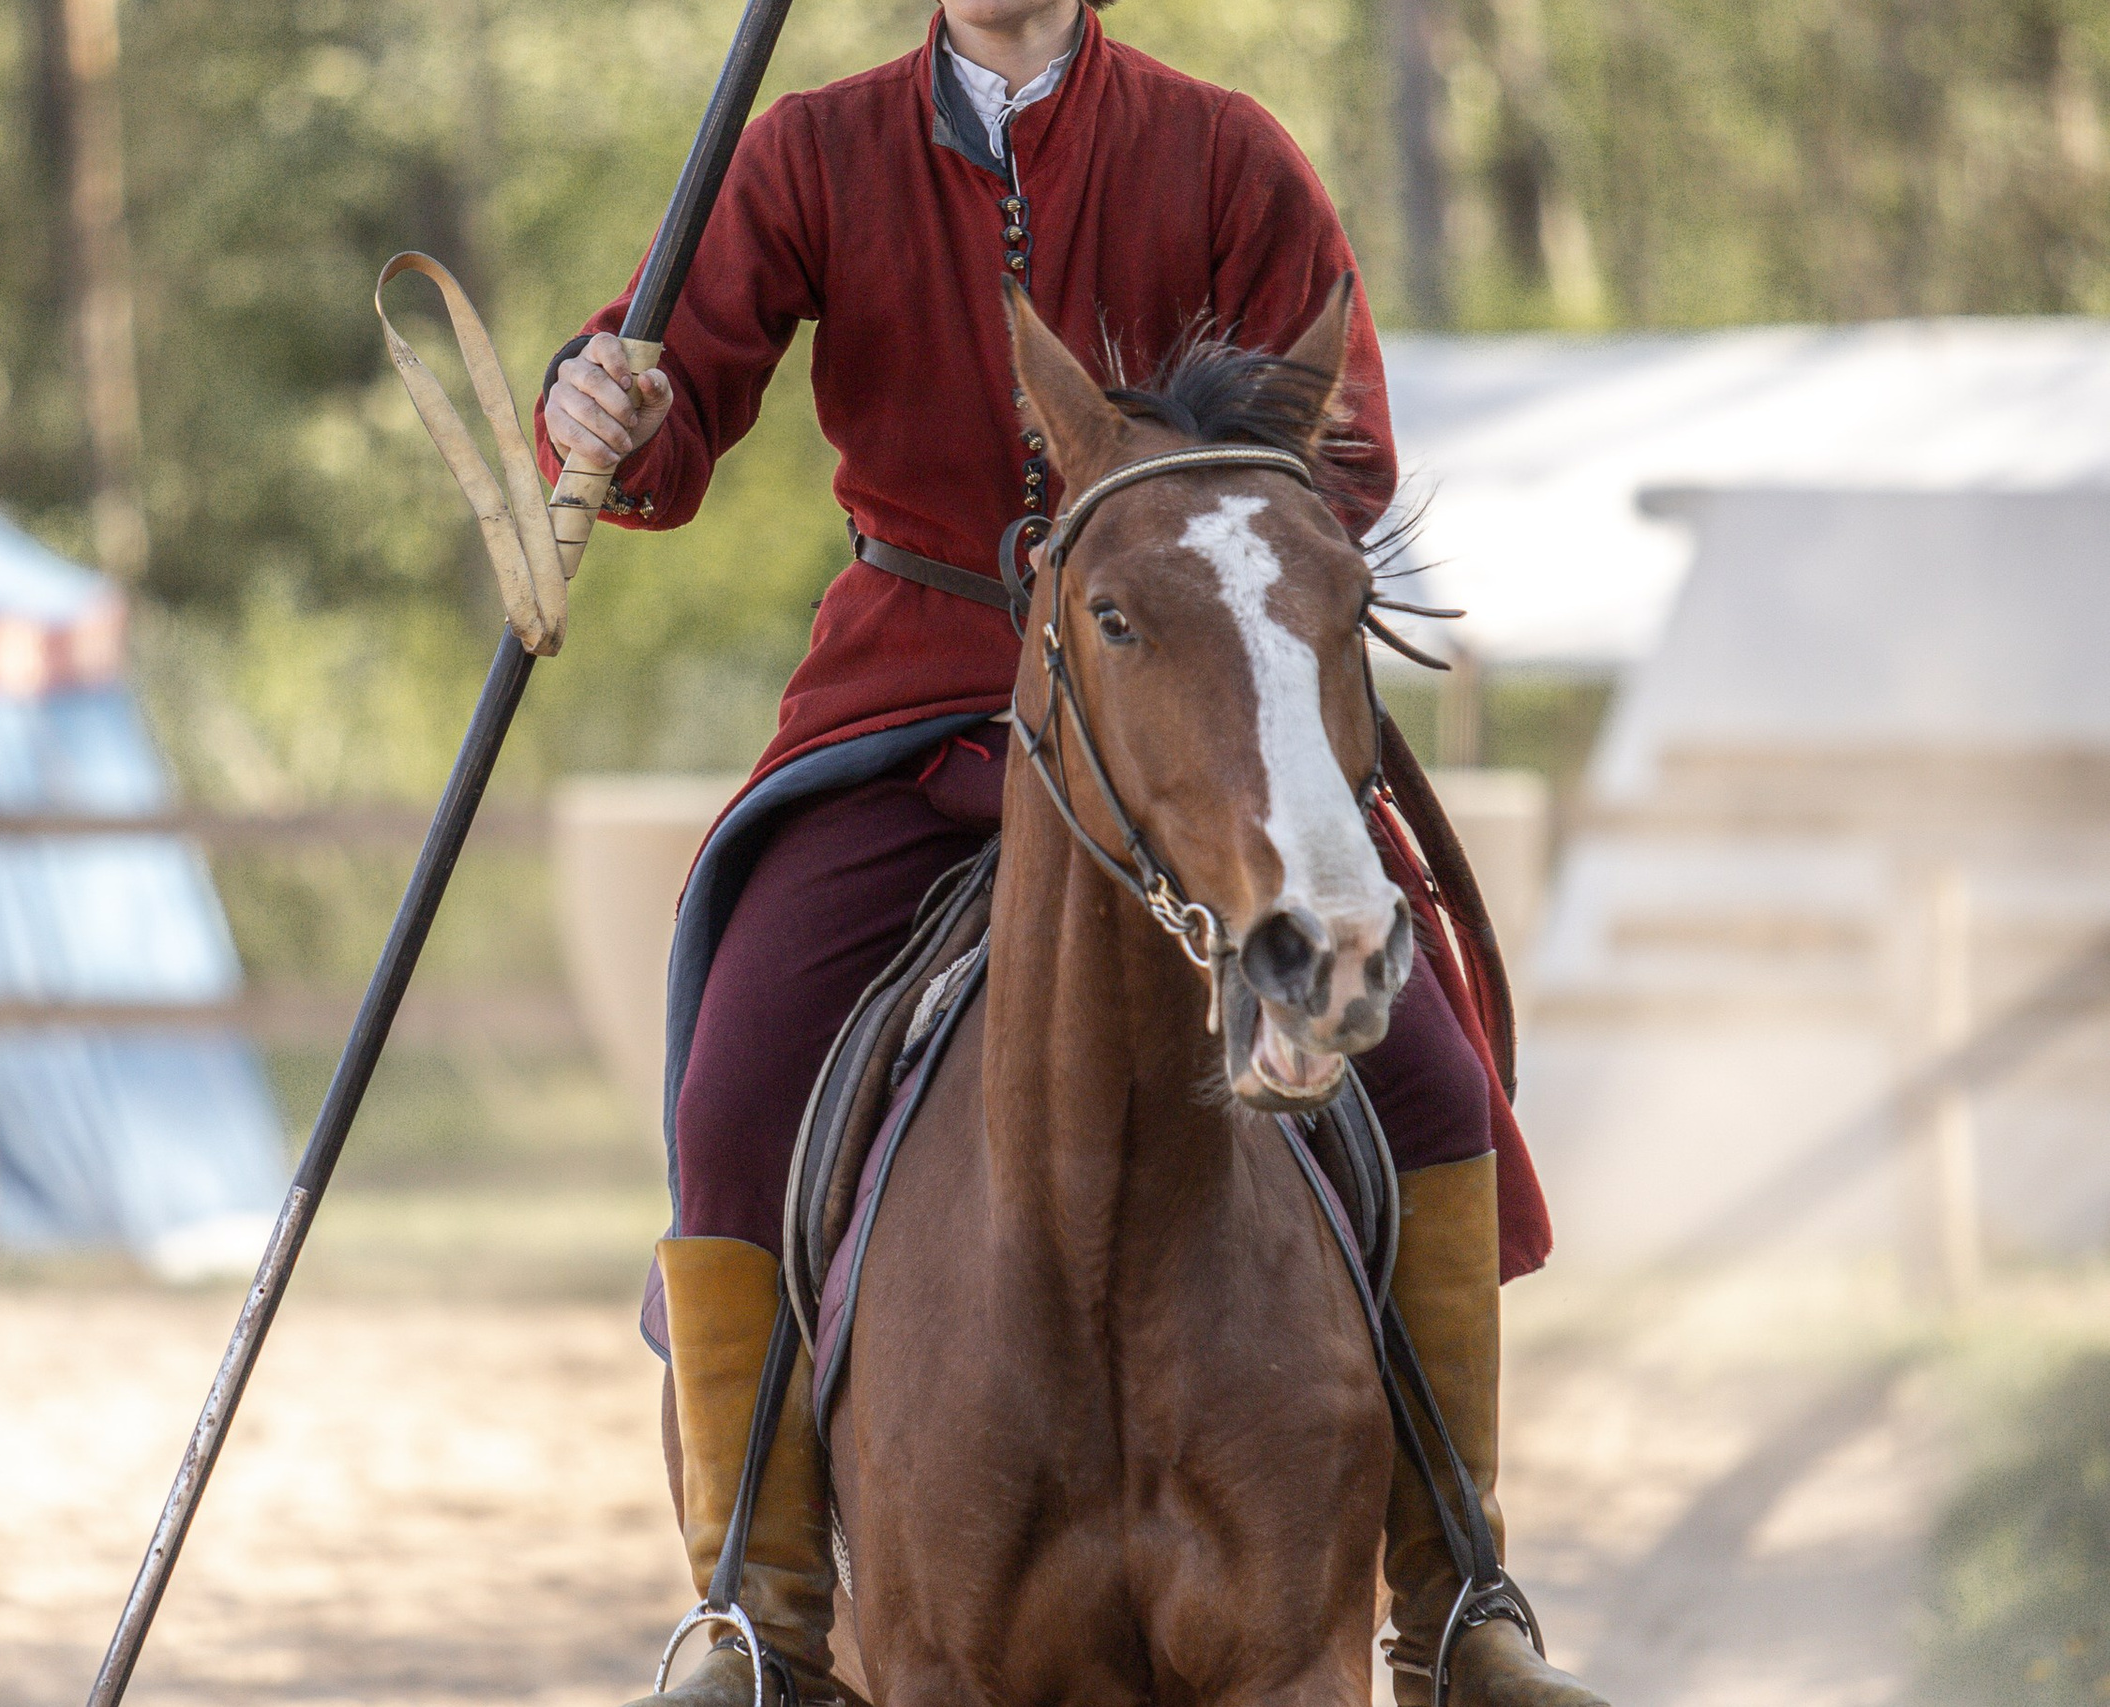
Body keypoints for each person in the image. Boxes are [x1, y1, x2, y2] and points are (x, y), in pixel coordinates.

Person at [535, 4, 1605, 1704]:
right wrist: (598, 399)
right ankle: (760, 1618)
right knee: (734, 1084)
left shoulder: (1227, 152)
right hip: (909, 708)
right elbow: (667, 441)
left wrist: (1189, 559)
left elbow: (1343, 469)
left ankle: (1457, 1601)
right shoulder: (811, 152)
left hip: (1192, 706)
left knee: (1431, 1079)